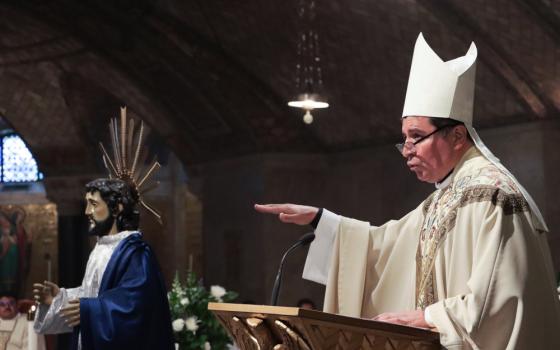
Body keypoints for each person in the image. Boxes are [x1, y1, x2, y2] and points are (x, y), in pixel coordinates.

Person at [255, 33, 560, 349]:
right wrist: (321, 221)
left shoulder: (493, 197)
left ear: (457, 136)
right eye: (404, 139)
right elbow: (382, 247)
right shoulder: (443, 198)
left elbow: (502, 301)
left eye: (417, 136)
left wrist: (429, 316)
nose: (407, 151)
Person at [32, 110, 174, 350]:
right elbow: (93, 294)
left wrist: (89, 310)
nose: (87, 211)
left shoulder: (135, 251)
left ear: (117, 207)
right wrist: (59, 299)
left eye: (94, 204)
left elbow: (137, 305)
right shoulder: (102, 248)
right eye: (87, 203)